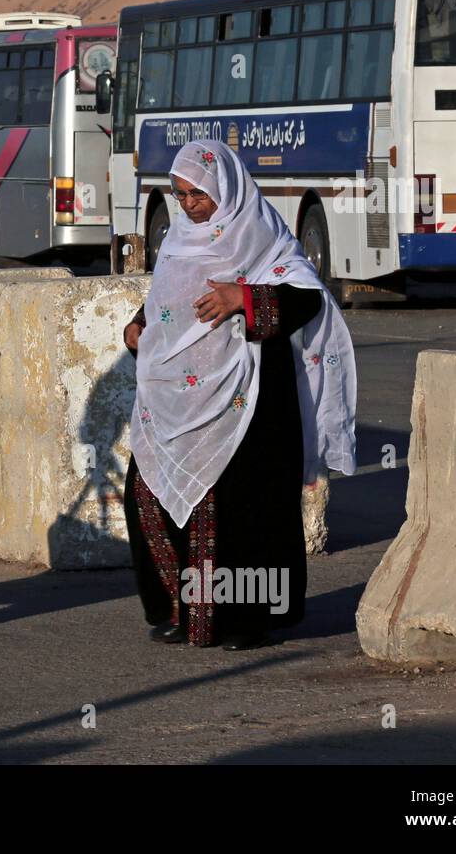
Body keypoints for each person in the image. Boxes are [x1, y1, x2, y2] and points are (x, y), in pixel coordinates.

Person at [122, 139, 356, 651]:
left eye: (198, 195)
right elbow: (166, 299)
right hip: (180, 400)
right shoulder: (181, 239)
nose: (189, 206)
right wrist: (139, 326)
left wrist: (242, 298)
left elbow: (304, 298)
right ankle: (178, 609)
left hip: (247, 398)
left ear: (223, 187)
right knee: (147, 489)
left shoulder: (260, 234)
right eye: (180, 195)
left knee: (244, 509)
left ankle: (247, 621)